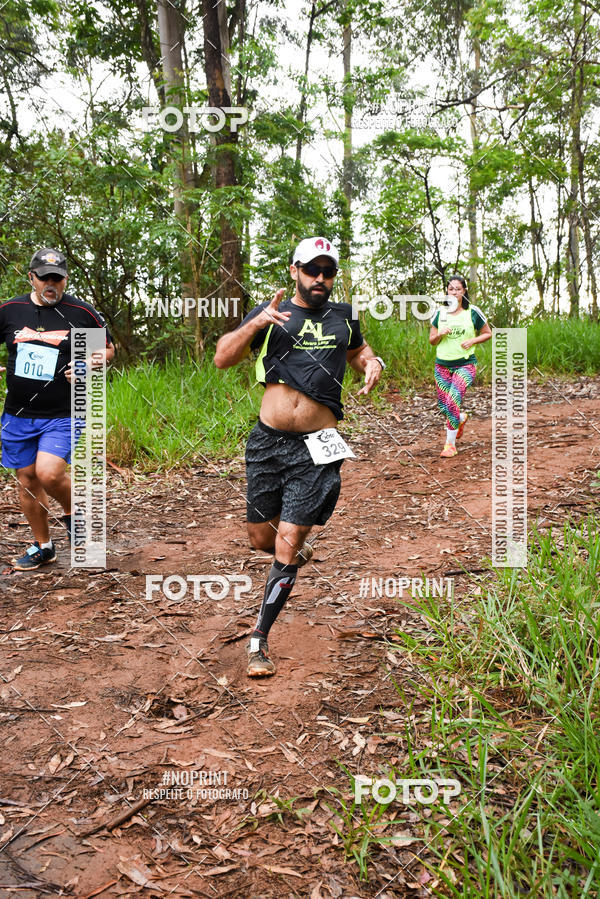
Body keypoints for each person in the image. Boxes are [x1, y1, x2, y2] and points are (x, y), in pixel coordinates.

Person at [214, 236, 385, 678]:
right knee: (260, 540)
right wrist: (255, 324)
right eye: (313, 270)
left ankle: (259, 639)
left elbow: (357, 351)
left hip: (317, 446)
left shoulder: (344, 317)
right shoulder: (271, 313)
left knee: (288, 542)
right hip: (268, 442)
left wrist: (371, 361)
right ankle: (290, 552)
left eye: (328, 272)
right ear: (295, 270)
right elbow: (222, 358)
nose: (321, 279)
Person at [0, 247, 115, 570]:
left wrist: (87, 363)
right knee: (26, 479)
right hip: (17, 414)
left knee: (48, 473)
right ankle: (43, 546)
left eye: (58, 278)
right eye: (45, 278)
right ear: (31, 278)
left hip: (63, 412)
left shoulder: (80, 312)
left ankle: (75, 516)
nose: (52, 284)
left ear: (64, 280)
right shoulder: (11, 310)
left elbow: (107, 351)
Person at [429, 274, 491, 458]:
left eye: (458, 289)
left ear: (464, 291)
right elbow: (432, 341)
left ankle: (450, 444)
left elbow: (488, 333)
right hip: (442, 367)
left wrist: (472, 340)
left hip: (465, 365)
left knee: (452, 400)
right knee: (444, 406)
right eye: (451, 289)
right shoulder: (439, 313)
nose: (454, 292)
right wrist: (440, 334)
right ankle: (460, 418)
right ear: (446, 292)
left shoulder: (473, 311)